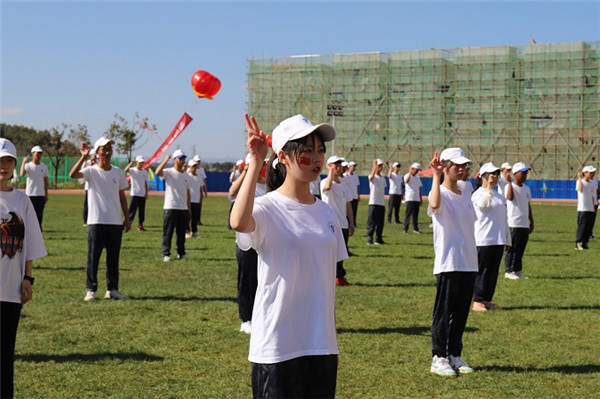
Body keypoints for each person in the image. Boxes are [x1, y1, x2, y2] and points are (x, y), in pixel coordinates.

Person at [231, 113, 346, 398]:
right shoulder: (268, 208)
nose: (317, 158)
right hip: (278, 346)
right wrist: (255, 160)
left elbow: (326, 284)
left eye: (320, 150)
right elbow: (238, 222)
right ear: (282, 156)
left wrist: (332, 344)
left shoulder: (326, 213)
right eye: (307, 151)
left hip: (320, 345)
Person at [0, 138, 47, 399]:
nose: (3, 166)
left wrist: (28, 278)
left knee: (6, 354)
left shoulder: (22, 200)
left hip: (10, 290)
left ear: (15, 165)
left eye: (8, 161)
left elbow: (29, 243)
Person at [427, 147, 477, 377]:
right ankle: (438, 357)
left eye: (464, 165)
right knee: (444, 312)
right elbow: (435, 206)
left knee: (460, 312)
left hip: (468, 260)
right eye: (457, 165)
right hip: (449, 261)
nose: (462, 168)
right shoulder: (440, 191)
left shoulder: (466, 190)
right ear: (445, 166)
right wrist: (436, 176)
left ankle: (454, 354)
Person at [69, 137, 131, 301]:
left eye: (110, 148)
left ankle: (112, 290)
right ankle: (91, 290)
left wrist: (127, 218)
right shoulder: (91, 171)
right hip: (96, 221)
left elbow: (122, 196)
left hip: (115, 222)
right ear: (97, 152)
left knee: (113, 258)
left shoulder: (118, 172)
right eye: (104, 149)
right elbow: (73, 174)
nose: (107, 152)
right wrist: (83, 156)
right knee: (93, 257)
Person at [229, 157, 267, 334]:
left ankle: (262, 316)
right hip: (246, 241)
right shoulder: (246, 185)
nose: (263, 167)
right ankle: (246, 318)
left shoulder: (269, 185)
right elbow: (231, 192)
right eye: (260, 164)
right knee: (247, 280)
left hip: (266, 241)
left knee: (263, 281)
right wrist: (246, 172)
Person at [470, 163, 511, 312]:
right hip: (483, 238)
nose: (495, 176)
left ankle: (486, 299)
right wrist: (487, 188)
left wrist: (507, 238)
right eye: (491, 174)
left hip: (497, 238)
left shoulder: (499, 196)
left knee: (493, 271)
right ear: (483, 176)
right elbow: (484, 205)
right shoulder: (477, 195)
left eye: (496, 173)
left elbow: (504, 218)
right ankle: (477, 300)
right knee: (481, 270)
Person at [321, 155, 355, 286]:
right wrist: (330, 172)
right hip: (329, 224)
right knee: (329, 252)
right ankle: (328, 276)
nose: (339, 167)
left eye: (340, 165)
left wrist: (351, 223)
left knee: (341, 251)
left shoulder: (344, 185)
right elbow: (327, 188)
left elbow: (348, 205)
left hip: (343, 223)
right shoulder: (325, 182)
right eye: (336, 165)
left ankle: (339, 276)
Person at [156, 149, 191, 262]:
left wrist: (188, 208)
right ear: (175, 160)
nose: (182, 161)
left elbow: (188, 193)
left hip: (182, 208)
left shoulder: (186, 175)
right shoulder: (169, 172)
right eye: (180, 158)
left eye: (183, 158)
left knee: (181, 233)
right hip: (170, 207)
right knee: (168, 232)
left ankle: (181, 253)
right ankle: (166, 254)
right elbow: (157, 172)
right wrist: (166, 160)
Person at [504, 162, 534, 280]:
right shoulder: (509, 186)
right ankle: (509, 270)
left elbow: (528, 205)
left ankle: (517, 269)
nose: (525, 176)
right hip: (513, 223)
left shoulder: (526, 189)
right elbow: (510, 198)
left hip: (523, 223)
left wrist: (531, 220)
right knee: (512, 248)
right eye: (523, 173)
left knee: (521, 248)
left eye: (526, 173)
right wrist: (509, 182)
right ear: (515, 174)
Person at [18, 145, 49, 230]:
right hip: (30, 194)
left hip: (40, 195)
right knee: (29, 214)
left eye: (40, 153)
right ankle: (28, 230)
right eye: (37, 153)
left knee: (39, 215)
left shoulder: (44, 166)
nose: (39, 155)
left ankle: (38, 232)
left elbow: (46, 181)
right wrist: (24, 162)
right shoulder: (28, 165)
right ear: (33, 154)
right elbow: (22, 173)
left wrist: (46, 194)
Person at [124, 155, 149, 231]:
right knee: (132, 211)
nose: (141, 164)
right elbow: (125, 170)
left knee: (142, 211)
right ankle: (128, 225)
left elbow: (145, 183)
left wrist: (146, 192)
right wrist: (131, 163)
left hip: (142, 194)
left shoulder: (145, 172)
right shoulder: (133, 170)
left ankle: (140, 225)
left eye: (142, 163)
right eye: (140, 162)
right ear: (137, 162)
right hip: (135, 194)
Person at [575, 165, 597, 250]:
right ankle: (578, 243)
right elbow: (580, 189)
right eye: (590, 173)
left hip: (590, 208)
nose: (592, 174)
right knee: (582, 226)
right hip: (583, 208)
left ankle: (585, 243)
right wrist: (580, 178)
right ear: (585, 173)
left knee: (588, 227)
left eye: (593, 173)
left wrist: (594, 206)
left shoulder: (592, 183)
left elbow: (593, 196)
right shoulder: (580, 182)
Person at [366, 158, 387, 245]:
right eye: (378, 166)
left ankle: (378, 239)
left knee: (380, 223)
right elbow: (371, 177)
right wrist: (374, 167)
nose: (379, 167)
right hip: (373, 202)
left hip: (381, 203)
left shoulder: (383, 179)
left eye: (380, 166)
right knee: (372, 222)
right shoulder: (372, 177)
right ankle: (370, 239)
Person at [404, 162, 423, 234]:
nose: (417, 171)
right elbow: (406, 181)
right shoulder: (407, 176)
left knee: (415, 215)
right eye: (416, 170)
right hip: (410, 198)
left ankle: (415, 228)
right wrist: (410, 172)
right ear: (413, 169)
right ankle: (405, 228)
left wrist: (420, 198)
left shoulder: (418, 178)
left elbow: (419, 188)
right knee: (408, 214)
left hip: (416, 198)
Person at [186, 159, 203, 238]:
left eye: (195, 166)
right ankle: (187, 232)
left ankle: (194, 232)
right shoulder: (187, 176)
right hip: (189, 200)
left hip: (196, 199)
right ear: (189, 167)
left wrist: (200, 198)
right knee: (188, 216)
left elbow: (200, 188)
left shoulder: (199, 177)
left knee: (195, 217)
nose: (194, 168)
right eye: (193, 166)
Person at [81, 151, 97, 225]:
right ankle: (85, 220)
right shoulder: (87, 162)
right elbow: (82, 172)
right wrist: (90, 165)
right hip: (89, 187)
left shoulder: (99, 163)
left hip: (97, 188)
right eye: (93, 155)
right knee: (87, 204)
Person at [192, 155, 208, 225]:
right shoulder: (190, 170)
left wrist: (205, 190)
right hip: (192, 189)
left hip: (199, 188)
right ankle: (191, 220)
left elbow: (204, 179)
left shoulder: (201, 169)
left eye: (199, 161)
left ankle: (198, 220)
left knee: (199, 205)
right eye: (197, 161)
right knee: (192, 205)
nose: (198, 162)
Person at [345, 161, 360, 227]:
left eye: (355, 166)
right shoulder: (346, 175)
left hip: (354, 195)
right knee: (348, 210)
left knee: (354, 210)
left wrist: (358, 194)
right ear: (349, 167)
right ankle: (348, 222)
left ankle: (354, 223)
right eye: (353, 166)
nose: (354, 168)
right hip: (349, 196)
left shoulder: (355, 176)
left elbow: (357, 185)